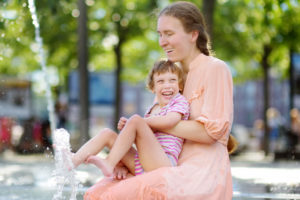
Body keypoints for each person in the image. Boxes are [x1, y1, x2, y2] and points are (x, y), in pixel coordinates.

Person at [84, 1, 236, 199]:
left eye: (169, 34)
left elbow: (210, 133)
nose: (162, 41)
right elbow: (160, 141)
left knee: (110, 196)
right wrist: (126, 160)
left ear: (193, 34)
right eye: (160, 34)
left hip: (199, 175)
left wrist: (147, 124)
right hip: (167, 165)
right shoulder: (174, 78)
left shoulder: (215, 69)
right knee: (96, 191)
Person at [71, 60, 189, 179]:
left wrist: (137, 122)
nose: (167, 85)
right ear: (153, 88)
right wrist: (130, 128)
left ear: (179, 85)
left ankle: (109, 162)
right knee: (107, 134)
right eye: (161, 81)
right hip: (142, 162)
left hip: (163, 163)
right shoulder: (152, 109)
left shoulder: (179, 101)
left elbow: (170, 121)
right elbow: (141, 141)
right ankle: (74, 160)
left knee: (136, 120)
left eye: (172, 80)